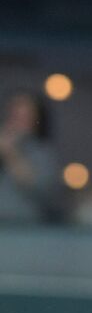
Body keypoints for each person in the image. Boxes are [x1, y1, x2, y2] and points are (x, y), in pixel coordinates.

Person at [0, 92, 59, 225]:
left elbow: (40, 188)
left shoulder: (43, 152)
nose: (17, 121)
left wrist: (10, 153)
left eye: (24, 116)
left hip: (26, 228)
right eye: (14, 115)